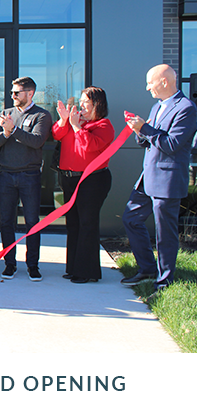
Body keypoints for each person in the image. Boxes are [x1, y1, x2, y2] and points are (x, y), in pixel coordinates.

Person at [122, 64, 197, 290]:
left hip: (167, 179)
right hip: (148, 177)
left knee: (165, 232)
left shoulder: (186, 108)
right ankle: (147, 268)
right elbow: (150, 140)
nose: (147, 88)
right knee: (130, 218)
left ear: (164, 82)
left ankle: (164, 279)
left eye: (150, 82)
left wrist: (144, 128)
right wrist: (139, 130)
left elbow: (173, 144)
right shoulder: (157, 107)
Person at [0, 76, 52, 282]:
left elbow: (36, 141)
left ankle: (33, 265)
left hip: (29, 176)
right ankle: (9, 264)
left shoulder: (41, 115)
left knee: (32, 222)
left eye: (17, 92)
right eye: (12, 93)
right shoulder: (6, 114)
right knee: (6, 221)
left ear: (30, 93)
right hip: (6, 175)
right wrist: (6, 133)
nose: (13, 96)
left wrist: (13, 130)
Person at [53, 87, 115, 284]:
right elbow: (56, 134)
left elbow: (90, 146)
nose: (81, 106)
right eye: (81, 101)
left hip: (92, 181)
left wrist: (77, 128)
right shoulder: (75, 120)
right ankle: (73, 267)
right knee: (73, 223)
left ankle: (87, 271)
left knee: (87, 223)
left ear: (97, 104)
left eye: (86, 102)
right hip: (69, 178)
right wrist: (64, 121)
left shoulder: (104, 125)